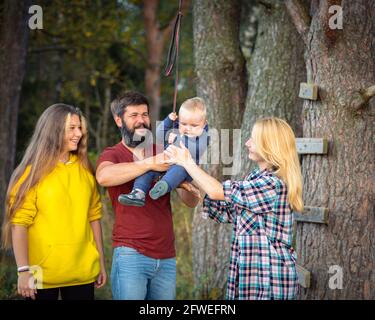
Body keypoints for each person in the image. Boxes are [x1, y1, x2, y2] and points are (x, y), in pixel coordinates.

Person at [164, 117, 303, 300]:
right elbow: (224, 209)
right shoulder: (254, 179)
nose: (247, 143)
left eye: (253, 139)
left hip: (269, 281)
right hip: (249, 278)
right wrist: (184, 178)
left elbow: (216, 191)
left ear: (269, 144)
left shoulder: (272, 184)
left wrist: (188, 162)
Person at [95, 91, 200, 300]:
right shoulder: (113, 154)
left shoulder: (164, 151)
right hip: (131, 255)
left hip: (166, 257)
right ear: (119, 120)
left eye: (144, 114)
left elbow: (191, 202)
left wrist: (183, 181)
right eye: (134, 115)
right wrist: (149, 163)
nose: (141, 121)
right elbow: (103, 177)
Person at [1, 104, 106, 300]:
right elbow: (19, 224)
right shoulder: (31, 175)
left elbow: (94, 217)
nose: (79, 133)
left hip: (82, 274)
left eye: (80, 127)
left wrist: (100, 261)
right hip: (39, 275)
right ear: (53, 131)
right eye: (72, 128)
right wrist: (23, 271)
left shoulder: (85, 171)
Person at [118, 97, 208, 206]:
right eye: (183, 124)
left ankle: (163, 186)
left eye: (194, 125)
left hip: (184, 167)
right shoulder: (176, 128)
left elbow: (195, 149)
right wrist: (168, 120)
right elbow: (160, 133)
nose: (187, 128)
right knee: (148, 170)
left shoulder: (203, 136)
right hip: (165, 162)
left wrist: (177, 139)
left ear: (204, 124)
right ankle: (138, 193)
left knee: (178, 171)